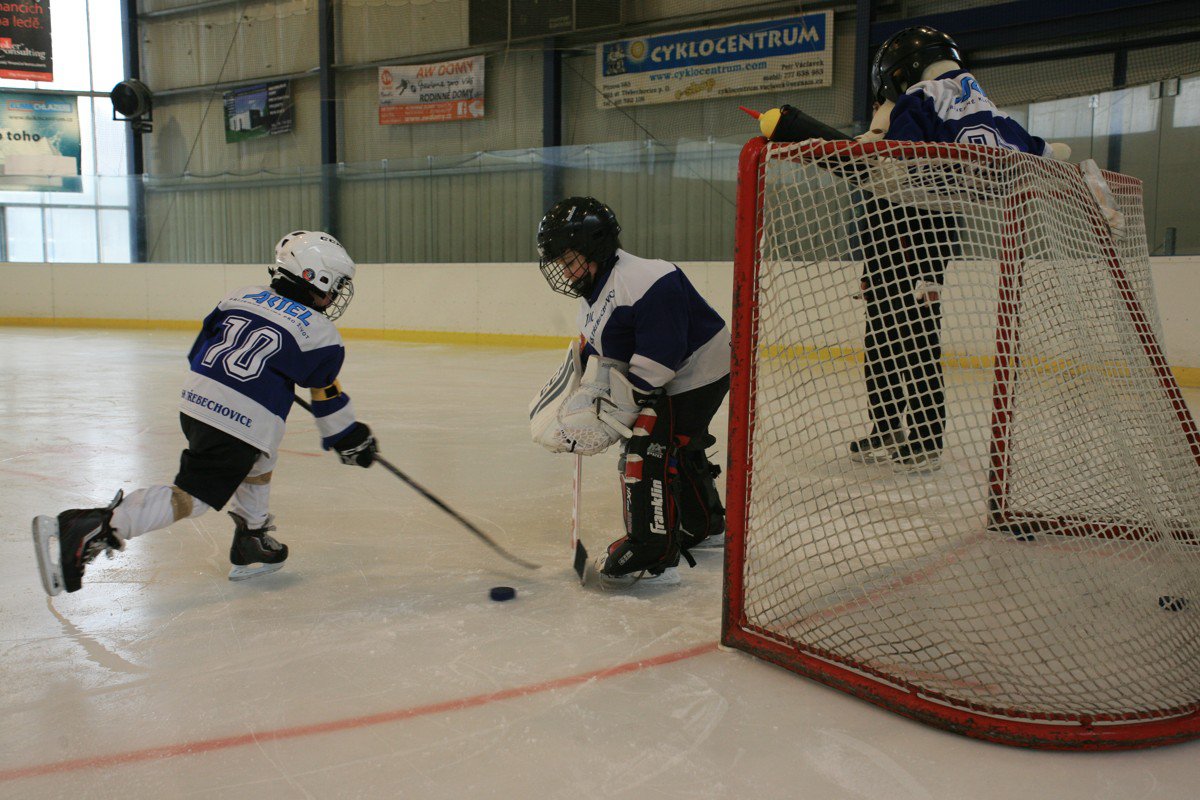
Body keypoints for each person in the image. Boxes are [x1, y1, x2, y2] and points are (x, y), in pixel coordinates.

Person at [32, 230, 379, 596]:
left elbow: (201, 348)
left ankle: (252, 537)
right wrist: (349, 437)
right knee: (193, 496)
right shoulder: (322, 333)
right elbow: (325, 393)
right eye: (336, 285)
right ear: (316, 277)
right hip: (238, 421)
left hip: (194, 402)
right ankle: (98, 526)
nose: (336, 294)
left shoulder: (240, 296)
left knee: (261, 456)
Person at [845, 25, 1067, 471]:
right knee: (880, 336)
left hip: (923, 234)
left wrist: (931, 272)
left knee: (918, 336)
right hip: (885, 242)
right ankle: (886, 425)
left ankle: (926, 438)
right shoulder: (905, 114)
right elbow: (876, 194)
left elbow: (915, 181)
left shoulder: (919, 110)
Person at [531, 197, 730, 589]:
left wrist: (619, 409)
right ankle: (704, 523)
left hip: (699, 371)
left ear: (595, 247)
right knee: (676, 444)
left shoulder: (648, 280)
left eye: (570, 260)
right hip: (675, 371)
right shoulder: (593, 292)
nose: (565, 272)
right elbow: (599, 349)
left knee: (646, 446)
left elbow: (660, 359)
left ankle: (651, 553)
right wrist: (577, 389)